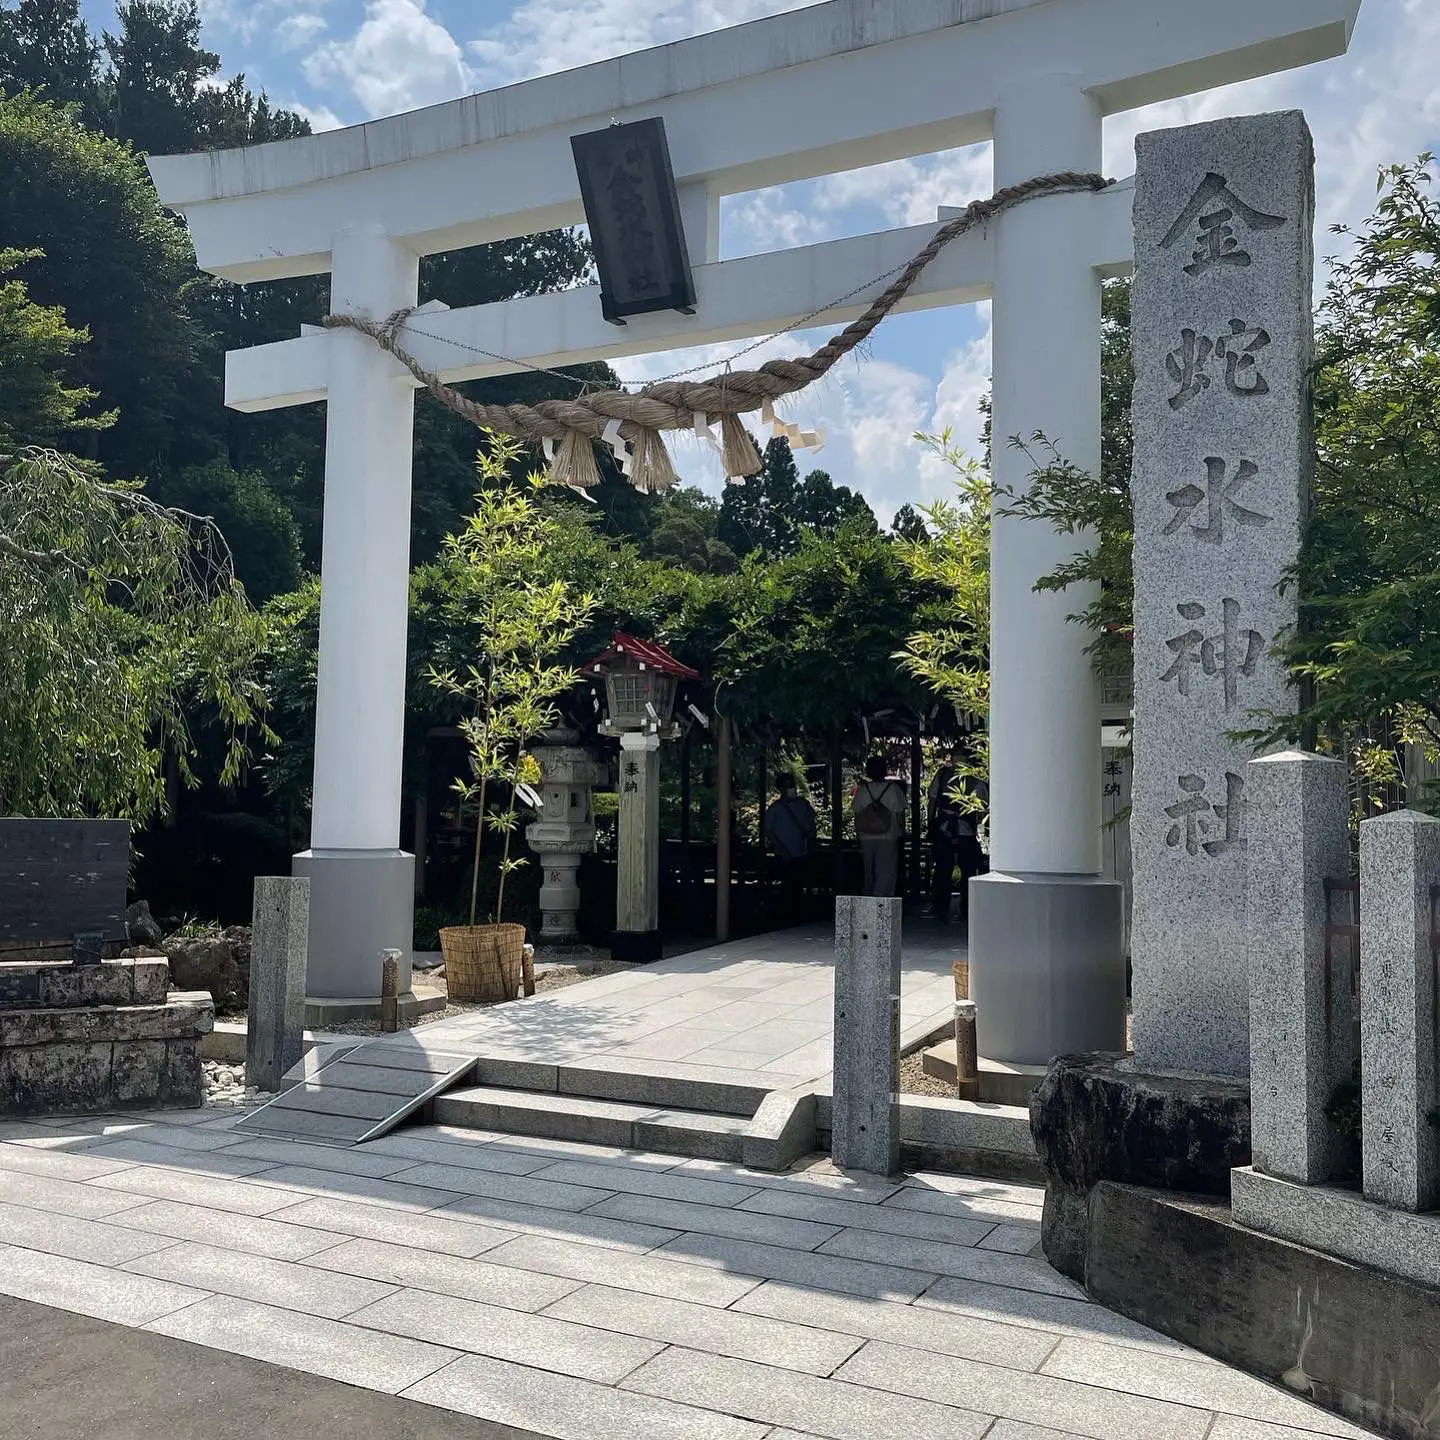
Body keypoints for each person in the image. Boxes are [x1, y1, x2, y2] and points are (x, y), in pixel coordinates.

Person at [763, 773, 817, 923]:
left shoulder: (803, 804)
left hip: (801, 852)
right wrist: (781, 849)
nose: (791, 788)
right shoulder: (775, 809)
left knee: (799, 884)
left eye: (792, 785)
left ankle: (798, 914)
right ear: (781, 788)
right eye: (787, 785)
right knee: (787, 885)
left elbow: (811, 824)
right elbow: (768, 831)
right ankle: (786, 915)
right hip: (784, 855)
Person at [851, 754, 906, 897]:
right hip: (888, 836)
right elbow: (900, 815)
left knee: (868, 871)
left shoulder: (863, 790)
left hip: (866, 836)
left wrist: (858, 836)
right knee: (886, 872)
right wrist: (901, 832)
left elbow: (857, 815)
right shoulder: (893, 789)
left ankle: (868, 898)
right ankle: (884, 901)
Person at [927, 754, 968, 921]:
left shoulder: (944, 774)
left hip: (958, 828)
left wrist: (931, 819)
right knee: (954, 870)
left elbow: (932, 798)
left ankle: (944, 905)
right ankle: (959, 906)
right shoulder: (944, 774)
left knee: (946, 869)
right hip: (959, 828)